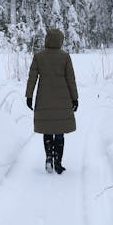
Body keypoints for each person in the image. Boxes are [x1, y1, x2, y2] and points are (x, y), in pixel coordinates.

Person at [25, 28, 78, 174]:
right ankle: (58, 163)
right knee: (59, 132)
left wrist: (29, 96)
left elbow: (32, 78)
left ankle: (49, 157)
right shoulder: (65, 57)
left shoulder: (39, 56)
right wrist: (75, 98)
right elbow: (71, 79)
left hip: (44, 99)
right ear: (60, 40)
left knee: (47, 131)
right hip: (63, 100)